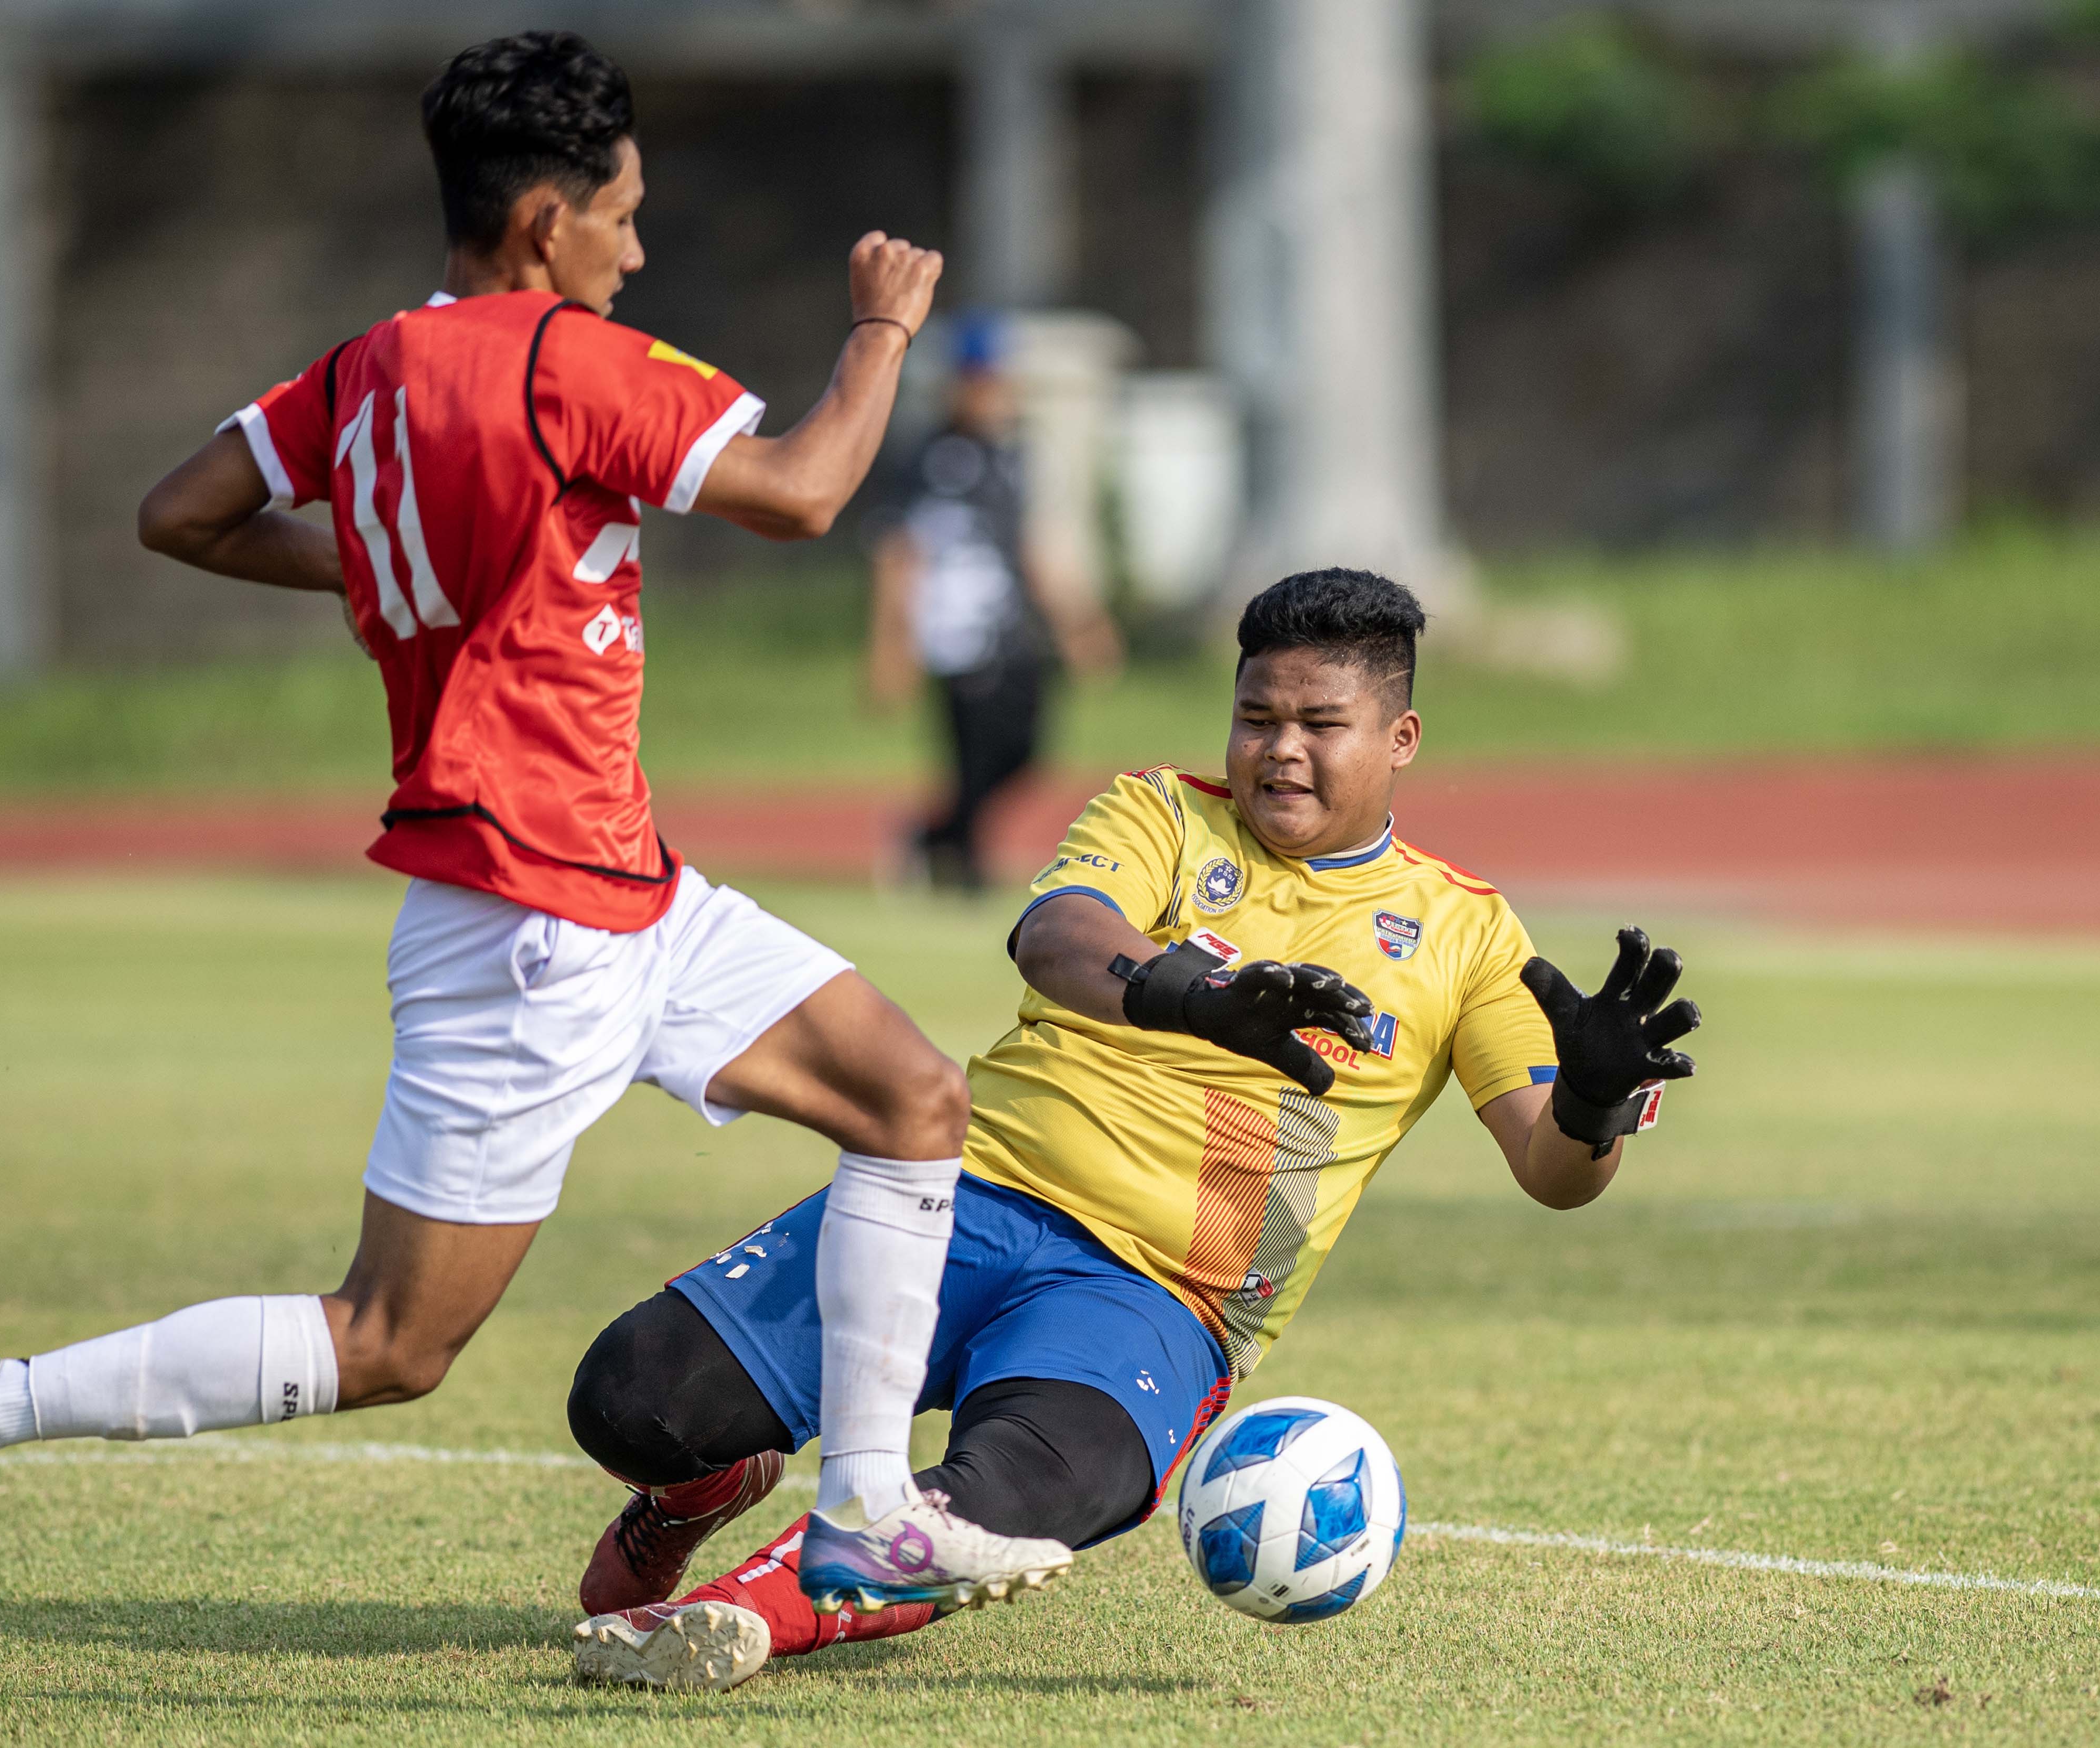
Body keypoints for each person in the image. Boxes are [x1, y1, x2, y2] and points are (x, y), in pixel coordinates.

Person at [0, 30, 1073, 1610]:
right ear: (546, 219)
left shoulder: (365, 367)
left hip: (620, 888)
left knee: (908, 1097)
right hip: (527, 919)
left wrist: (399, 570)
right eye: (623, 212)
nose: (638, 244)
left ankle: (865, 1508)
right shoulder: (573, 361)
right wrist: (882, 331)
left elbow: (179, 512)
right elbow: (809, 486)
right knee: (391, 1343)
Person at [561, 569, 1703, 1691]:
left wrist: (1593, 1102)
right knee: (630, 1398)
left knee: (1032, 1483)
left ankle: (740, 1615)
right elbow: (1057, 935)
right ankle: (701, 1490)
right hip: (964, 1198)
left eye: (1320, 723)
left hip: (1164, 1296)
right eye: (1256, 716)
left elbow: (1553, 1171)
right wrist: (1193, 995)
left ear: (1401, 736)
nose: (1279, 749)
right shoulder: (1160, 811)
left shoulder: (1464, 932)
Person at [865, 315, 1121, 890]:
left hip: (1013, 633)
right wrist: (890, 643)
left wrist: (1081, 625)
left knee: (1026, 752)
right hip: (953, 637)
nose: (989, 396)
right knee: (972, 758)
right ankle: (962, 868)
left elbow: (1032, 545)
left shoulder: (1014, 456)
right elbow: (897, 552)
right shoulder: (922, 459)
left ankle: (932, 836)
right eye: (976, 383)